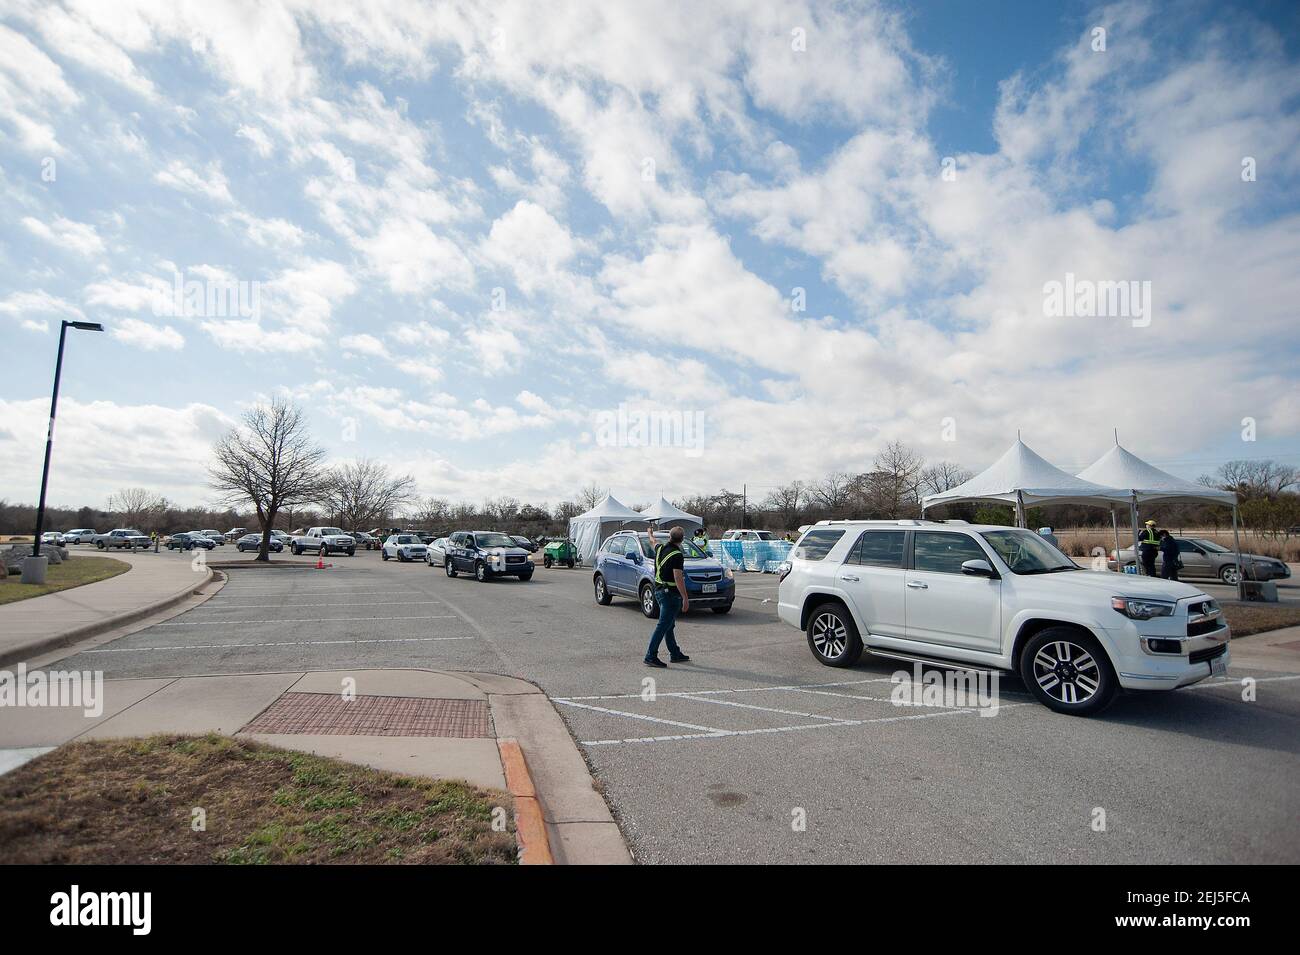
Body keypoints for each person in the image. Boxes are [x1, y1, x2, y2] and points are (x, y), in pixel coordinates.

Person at [644, 524, 690, 668]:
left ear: (669, 537)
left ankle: (675, 653)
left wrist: (650, 532)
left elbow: (652, 541)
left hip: (658, 591)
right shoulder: (677, 555)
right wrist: (685, 597)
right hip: (670, 594)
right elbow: (678, 577)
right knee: (663, 625)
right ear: (682, 540)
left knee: (669, 624)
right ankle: (650, 656)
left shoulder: (661, 548)